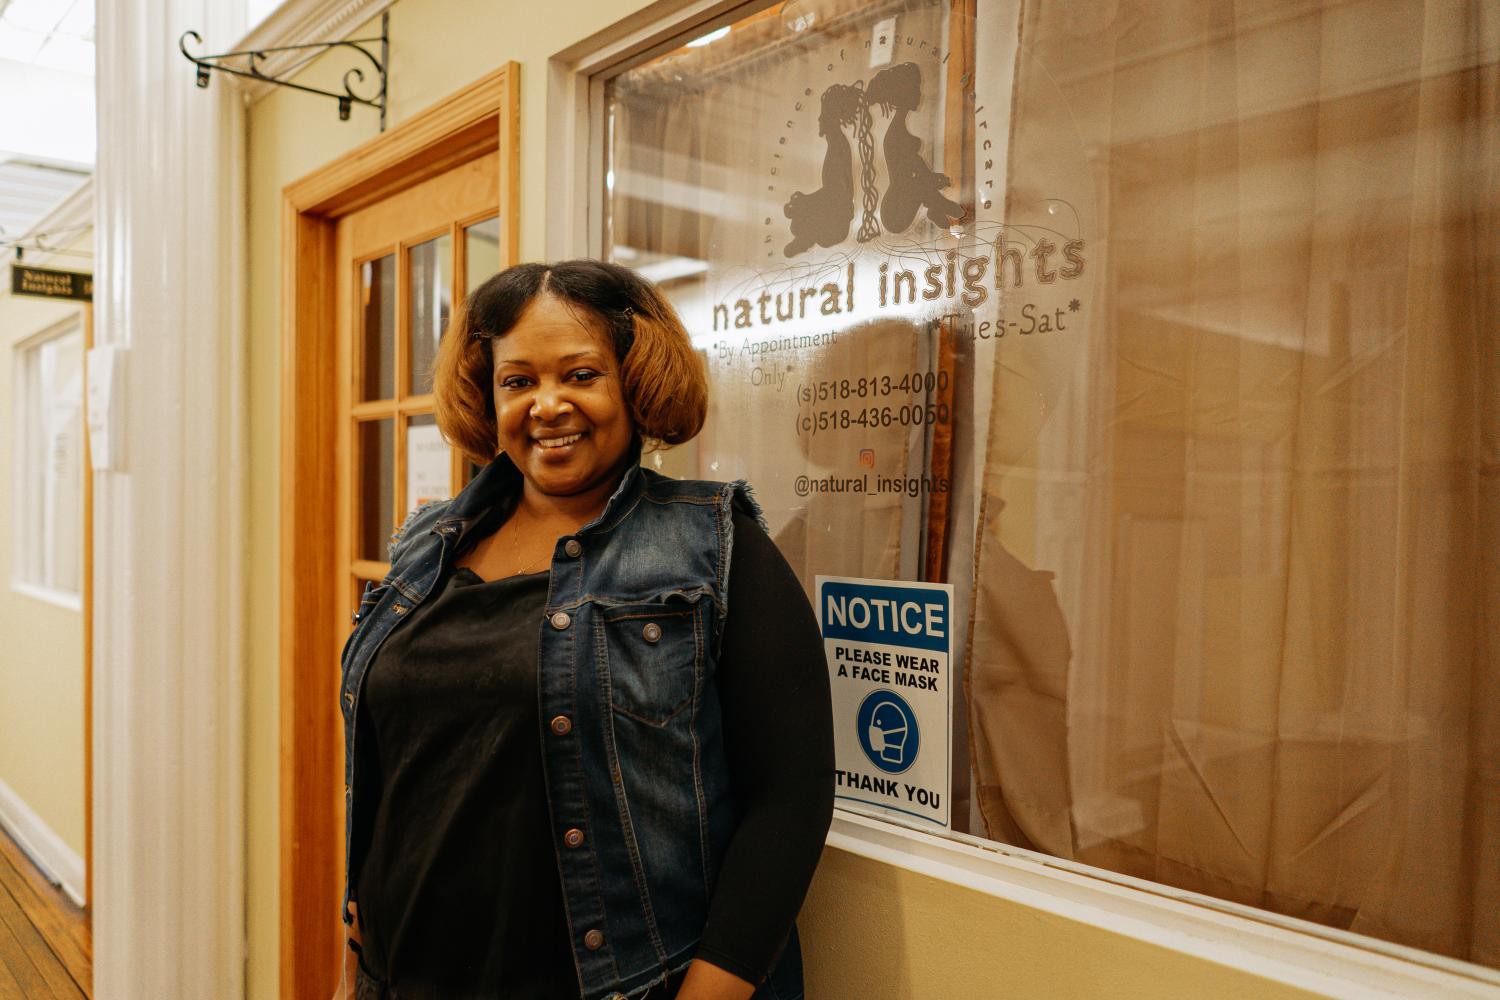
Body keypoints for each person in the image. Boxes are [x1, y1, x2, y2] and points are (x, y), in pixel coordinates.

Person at [337, 259, 835, 1000]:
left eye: (579, 375)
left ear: (633, 383)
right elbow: (392, 778)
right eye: (518, 381)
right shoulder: (425, 544)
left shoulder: (713, 545)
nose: (547, 405)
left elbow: (789, 803)